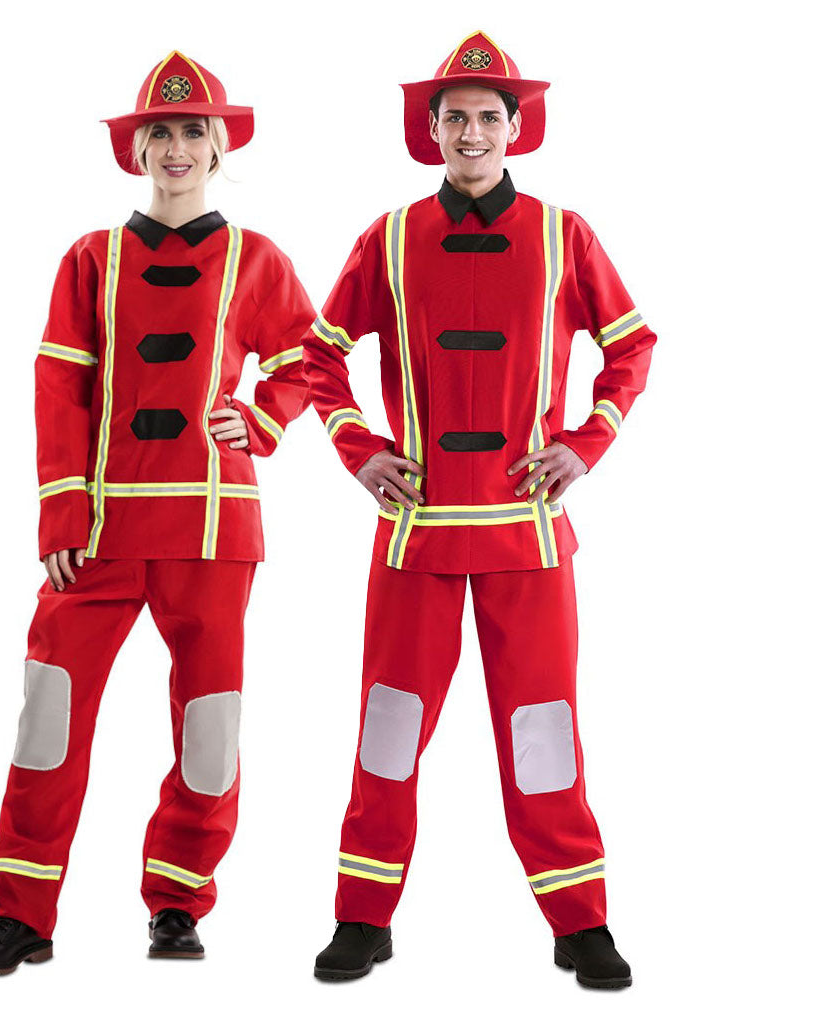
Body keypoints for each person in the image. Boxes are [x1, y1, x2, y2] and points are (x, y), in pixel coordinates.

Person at [0, 50, 315, 975]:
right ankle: (20, 912)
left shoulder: (258, 258)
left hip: (212, 529)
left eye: (194, 131)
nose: (177, 147)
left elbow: (308, 359)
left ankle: (179, 901)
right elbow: (59, 388)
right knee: (48, 717)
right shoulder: (91, 258)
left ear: (219, 146)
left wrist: (261, 418)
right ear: (136, 148)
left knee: (209, 728)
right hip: (100, 536)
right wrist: (61, 517)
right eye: (161, 132)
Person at [305, 30, 655, 989]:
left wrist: (585, 443)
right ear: (431, 129)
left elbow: (632, 346)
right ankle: (362, 916)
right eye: (455, 117)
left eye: (488, 117)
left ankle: (580, 922)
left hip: (525, 536)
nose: (471, 132)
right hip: (415, 534)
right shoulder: (386, 238)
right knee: (388, 731)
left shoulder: (564, 233)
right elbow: (318, 355)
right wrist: (360, 449)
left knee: (544, 735)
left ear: (516, 127)